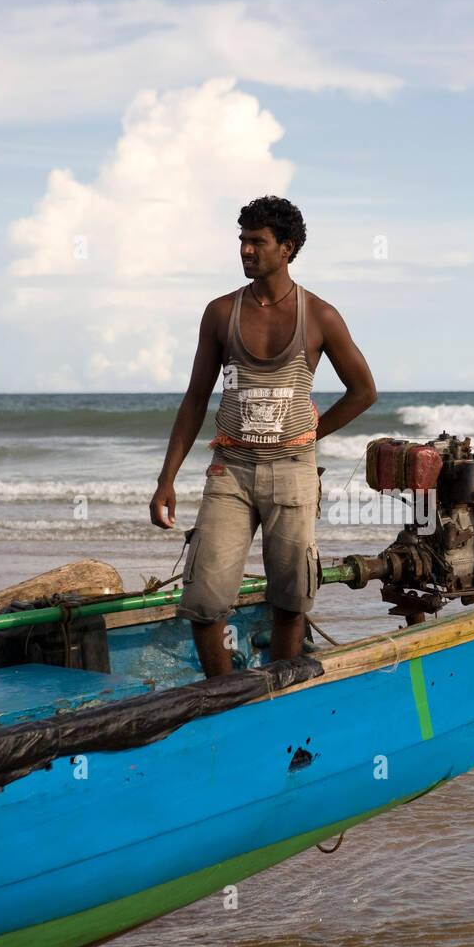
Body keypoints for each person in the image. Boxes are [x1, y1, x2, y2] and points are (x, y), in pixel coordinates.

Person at [149, 196, 377, 677]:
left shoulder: (320, 316)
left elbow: (364, 391)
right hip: (229, 471)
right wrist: (165, 479)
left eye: (257, 242)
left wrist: (315, 431)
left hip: (293, 474)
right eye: (242, 241)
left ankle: (280, 692)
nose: (246, 251)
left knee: (291, 599)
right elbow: (195, 399)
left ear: (286, 249)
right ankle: (224, 695)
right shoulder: (220, 312)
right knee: (205, 599)